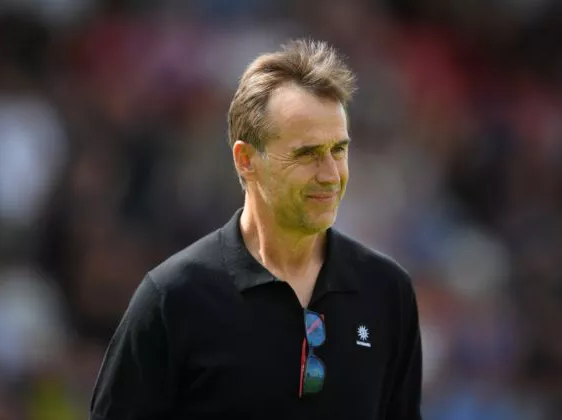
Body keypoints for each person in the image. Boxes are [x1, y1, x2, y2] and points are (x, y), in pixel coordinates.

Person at [89, 38, 423, 420]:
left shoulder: (387, 292)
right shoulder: (172, 299)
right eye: (307, 154)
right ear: (246, 160)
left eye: (338, 151)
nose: (331, 175)